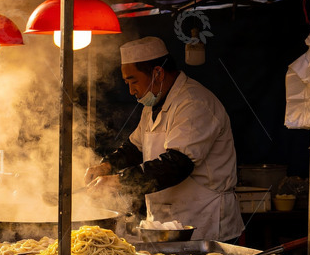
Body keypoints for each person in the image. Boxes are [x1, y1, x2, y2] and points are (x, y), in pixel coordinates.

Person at [84, 36, 243, 241]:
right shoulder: (151, 105)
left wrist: (116, 181)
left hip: (205, 222)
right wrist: (105, 167)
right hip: (164, 224)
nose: (131, 90)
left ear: (157, 73)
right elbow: (134, 148)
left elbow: (177, 165)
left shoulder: (194, 103)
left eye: (133, 81)